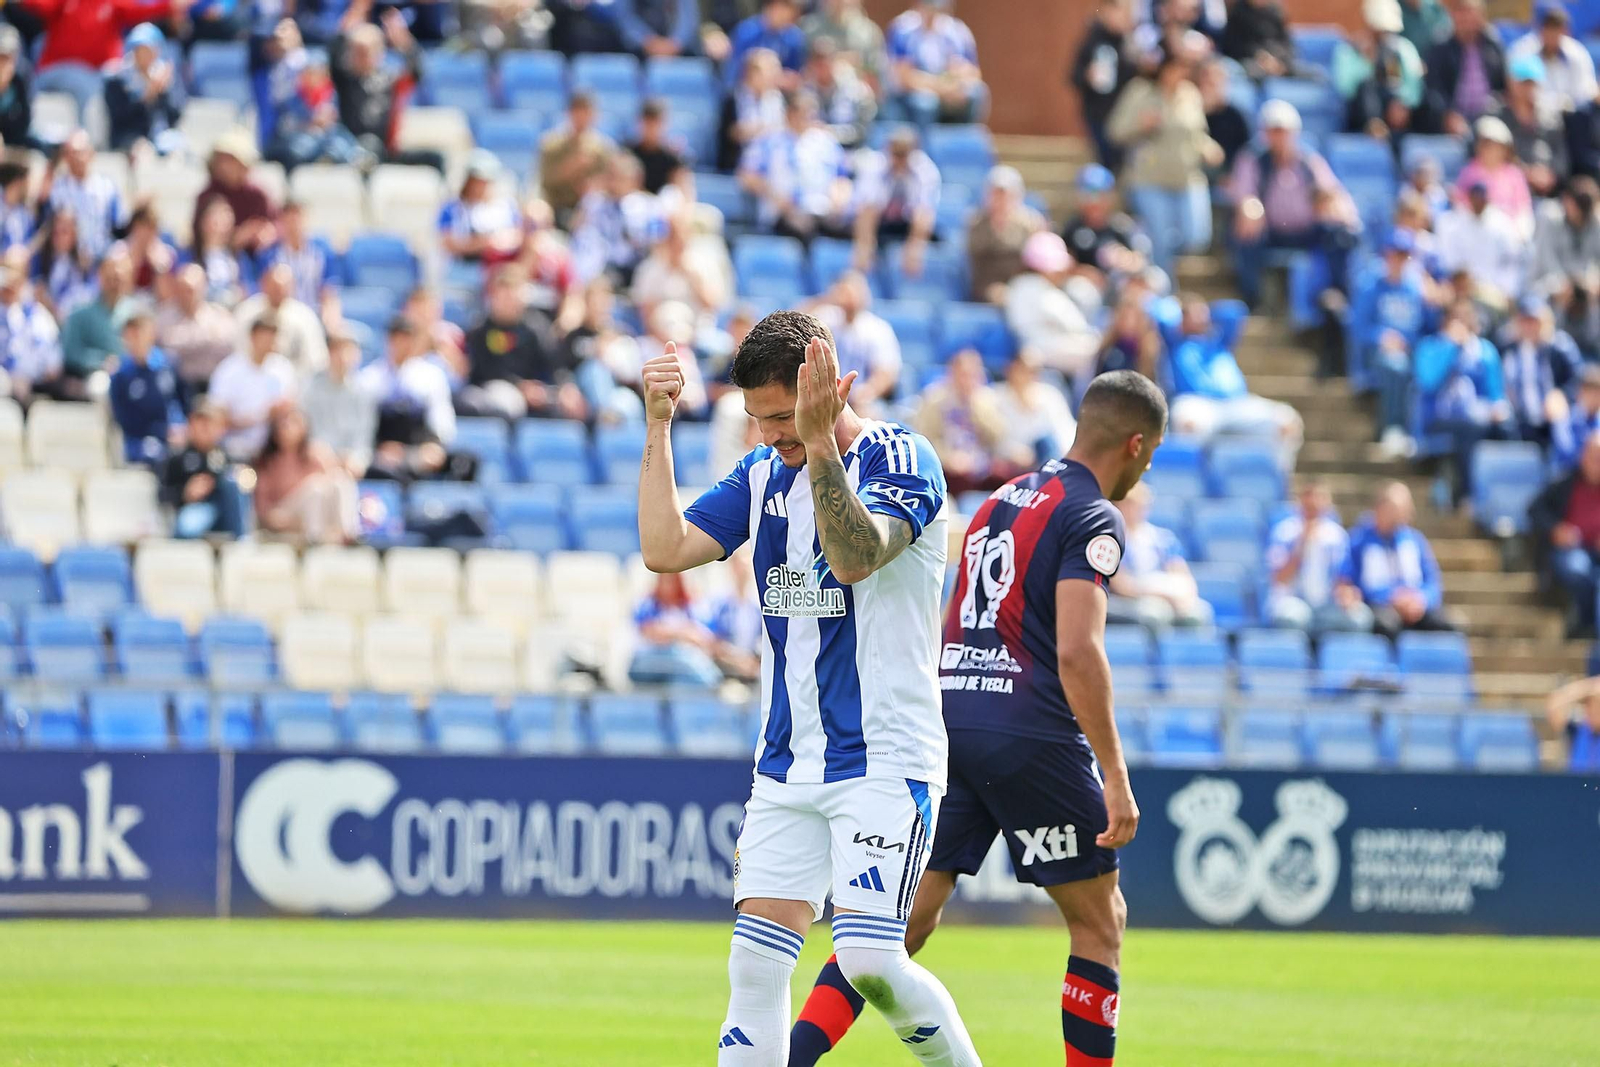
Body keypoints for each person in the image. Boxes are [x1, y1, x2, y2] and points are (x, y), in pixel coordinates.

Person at [787, 369, 1167, 1067]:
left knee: (894, 928)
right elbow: (1079, 651)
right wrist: (1115, 773)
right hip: (1031, 731)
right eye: (1148, 458)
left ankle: (790, 1060)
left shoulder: (999, 501)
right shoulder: (1093, 515)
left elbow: (953, 616)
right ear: (1137, 446)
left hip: (951, 718)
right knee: (1099, 923)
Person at [637, 311, 982, 1067]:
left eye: (782, 417)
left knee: (869, 961)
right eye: (756, 420)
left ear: (827, 389)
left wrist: (821, 443)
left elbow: (856, 556)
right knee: (754, 966)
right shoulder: (762, 473)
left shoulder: (901, 456)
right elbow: (664, 548)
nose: (769, 437)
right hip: (787, 766)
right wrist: (657, 425)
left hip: (886, 759)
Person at [1227, 100, 1355, 308]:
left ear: (1294, 132)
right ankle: (1252, 299)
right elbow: (1244, 196)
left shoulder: (1309, 161)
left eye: (1283, 131)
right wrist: (1251, 210)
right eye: (1273, 130)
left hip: (1306, 231)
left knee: (1341, 234)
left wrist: (1340, 211)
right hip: (1270, 231)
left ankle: (1336, 295)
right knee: (1246, 231)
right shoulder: (1253, 160)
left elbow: (1334, 193)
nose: (1279, 137)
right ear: (1265, 133)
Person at [1107, 52, 1216, 277]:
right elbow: (1115, 131)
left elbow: (1196, 133)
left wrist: (1209, 147)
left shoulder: (1190, 94)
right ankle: (1164, 291)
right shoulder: (1140, 91)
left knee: (1196, 237)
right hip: (1150, 181)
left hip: (1188, 179)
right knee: (1160, 243)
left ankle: (1145, 250)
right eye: (1176, 67)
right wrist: (1140, 124)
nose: (1181, 73)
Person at [1162, 296, 1303, 459]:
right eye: (1193, 314)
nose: (1199, 318)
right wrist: (1181, 318)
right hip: (1197, 404)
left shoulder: (1218, 341)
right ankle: (1194, 482)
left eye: (1202, 314)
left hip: (1236, 404)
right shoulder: (1174, 342)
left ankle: (1276, 481)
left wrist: (1207, 315)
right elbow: (1159, 313)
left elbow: (1237, 311)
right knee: (1188, 422)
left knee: (1286, 421)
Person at [25, 0, 191, 122]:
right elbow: (36, 4)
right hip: (57, 70)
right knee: (85, 83)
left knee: (125, 78)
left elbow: (139, 11)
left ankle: (132, 135)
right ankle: (90, 144)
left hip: (99, 72)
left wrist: (171, 5)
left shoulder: (111, 3)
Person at [1413, 300, 1512, 504]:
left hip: (1478, 417)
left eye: (1465, 319)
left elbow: (1495, 393)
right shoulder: (1430, 347)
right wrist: (1452, 348)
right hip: (1437, 418)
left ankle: (1499, 500)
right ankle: (1467, 495)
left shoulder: (1485, 351)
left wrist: (1497, 409)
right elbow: (1428, 382)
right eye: (1455, 318)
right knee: (1469, 429)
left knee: (1508, 429)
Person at [460, 264, 584, 422]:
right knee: (504, 401)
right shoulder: (480, 331)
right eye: (504, 297)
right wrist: (520, 386)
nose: (509, 303)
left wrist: (566, 388)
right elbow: (483, 371)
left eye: (513, 297)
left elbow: (555, 364)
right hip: (495, 391)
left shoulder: (535, 327)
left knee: (567, 406)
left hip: (536, 393)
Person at [330, 0, 443, 172]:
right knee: (361, 146)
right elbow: (334, 50)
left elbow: (417, 72)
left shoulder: (391, 79)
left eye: (368, 51)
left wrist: (403, 41)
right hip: (349, 148)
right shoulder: (345, 78)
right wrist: (357, 11)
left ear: (379, 52)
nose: (363, 57)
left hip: (388, 150)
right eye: (358, 51)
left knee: (436, 158)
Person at [1338, 480, 1456, 640]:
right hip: (1380, 607)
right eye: (1400, 509)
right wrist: (1392, 598)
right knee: (1385, 625)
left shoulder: (1415, 540)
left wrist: (1420, 600)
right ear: (1381, 508)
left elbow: (1433, 582)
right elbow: (1351, 583)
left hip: (1416, 607)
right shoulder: (1358, 541)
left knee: (1447, 625)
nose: (1407, 514)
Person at [357, 316, 463, 484]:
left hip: (419, 450)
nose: (402, 345)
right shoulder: (370, 379)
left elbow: (441, 422)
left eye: (407, 339)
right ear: (389, 341)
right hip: (381, 450)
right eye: (397, 339)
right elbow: (363, 425)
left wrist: (433, 446)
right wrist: (377, 448)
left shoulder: (431, 376)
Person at [1354, 230, 1431, 456]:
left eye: (1404, 255)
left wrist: (1434, 304)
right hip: (1376, 354)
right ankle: (1392, 428)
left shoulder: (1416, 289)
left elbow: (1427, 328)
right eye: (1394, 254)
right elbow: (1359, 328)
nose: (1398, 260)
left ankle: (1416, 434)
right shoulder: (1371, 287)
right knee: (1394, 366)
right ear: (1385, 255)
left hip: (1412, 352)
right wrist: (1382, 337)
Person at [738, 90, 852, 242]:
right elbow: (747, 177)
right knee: (801, 231)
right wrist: (782, 203)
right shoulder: (768, 141)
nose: (805, 118)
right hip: (783, 214)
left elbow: (841, 178)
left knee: (850, 233)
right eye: (801, 113)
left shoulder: (826, 143)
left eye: (810, 114)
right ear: (789, 114)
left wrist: (837, 204)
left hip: (822, 212)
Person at [1265, 479, 1374, 632]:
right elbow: (1279, 579)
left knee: (1360, 617)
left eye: (1317, 505)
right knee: (1291, 618)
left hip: (1328, 605)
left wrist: (1346, 594)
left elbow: (1343, 578)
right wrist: (1302, 543)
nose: (1312, 510)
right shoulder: (1284, 532)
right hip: (1294, 601)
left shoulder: (1337, 536)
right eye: (1308, 506)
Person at [914, 348, 1023, 495]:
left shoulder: (987, 399)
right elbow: (925, 440)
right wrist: (948, 458)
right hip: (950, 467)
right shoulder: (934, 400)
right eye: (963, 374)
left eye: (973, 374)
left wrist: (979, 410)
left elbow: (998, 438)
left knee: (1009, 477)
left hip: (983, 465)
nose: (967, 380)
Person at [1107, 481, 1211, 630]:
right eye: (1128, 504)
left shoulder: (1163, 539)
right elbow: (1122, 585)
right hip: (1129, 600)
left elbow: (1183, 577)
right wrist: (1157, 593)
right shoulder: (1111, 539)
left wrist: (1181, 597)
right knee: (1155, 614)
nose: (1135, 510)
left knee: (1196, 613)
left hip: (1163, 596)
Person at [253, 408, 357, 545]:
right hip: (284, 515)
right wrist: (277, 520)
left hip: (320, 514)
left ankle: (348, 533)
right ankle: (315, 539)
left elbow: (335, 483)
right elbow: (264, 509)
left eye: (293, 422)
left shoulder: (316, 453)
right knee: (314, 488)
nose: (287, 427)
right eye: (283, 423)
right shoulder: (267, 461)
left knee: (340, 479)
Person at [1530, 431, 1600, 634]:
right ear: (1583, 456)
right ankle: (1582, 621)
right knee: (1578, 569)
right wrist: (1555, 529)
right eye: (1593, 457)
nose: (1596, 463)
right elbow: (1535, 509)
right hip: (1571, 549)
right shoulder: (1565, 482)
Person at [1005, 231, 1099, 381]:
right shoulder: (1033, 285)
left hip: (1041, 344)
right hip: (1040, 348)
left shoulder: (1022, 284)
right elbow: (1073, 323)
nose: (1059, 272)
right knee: (1097, 349)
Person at [206, 312, 298, 460]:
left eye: (273, 336)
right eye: (265, 336)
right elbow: (217, 419)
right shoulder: (228, 370)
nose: (270, 341)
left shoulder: (283, 369)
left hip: (273, 453)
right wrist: (261, 415)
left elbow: (291, 413)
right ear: (253, 336)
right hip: (233, 450)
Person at [807, 271, 901, 414]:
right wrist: (829, 298)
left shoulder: (878, 328)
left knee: (868, 411)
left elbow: (887, 372)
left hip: (860, 398)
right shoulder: (826, 318)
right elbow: (795, 321)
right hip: (825, 392)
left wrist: (868, 392)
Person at [850, 127, 939, 275]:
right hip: (879, 222)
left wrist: (915, 249)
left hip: (905, 223)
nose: (899, 160)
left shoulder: (926, 170)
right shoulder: (874, 166)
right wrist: (864, 246)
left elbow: (924, 212)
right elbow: (866, 209)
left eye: (904, 154)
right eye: (896, 153)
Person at [1333, 0, 1426, 141]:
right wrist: (1367, 62)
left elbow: (1414, 85)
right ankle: (1374, 126)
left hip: (1399, 115)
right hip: (1361, 116)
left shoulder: (1403, 49)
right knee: (1366, 85)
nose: (1383, 36)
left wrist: (1403, 104)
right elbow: (1346, 88)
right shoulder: (1349, 52)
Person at [1499, 295, 1581, 453]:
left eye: (1534, 321)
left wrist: (1562, 395)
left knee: (1563, 432)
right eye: (1525, 321)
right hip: (1517, 421)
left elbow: (1576, 380)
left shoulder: (1560, 348)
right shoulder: (1507, 349)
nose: (1529, 326)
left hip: (1551, 421)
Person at [885, 0, 986, 128]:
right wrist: (940, 88)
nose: (933, 12)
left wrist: (956, 80)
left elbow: (973, 72)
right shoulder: (903, 28)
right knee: (925, 103)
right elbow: (904, 78)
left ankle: (962, 143)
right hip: (912, 92)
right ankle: (924, 145)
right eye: (929, 6)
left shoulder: (957, 31)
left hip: (947, 87)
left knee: (976, 92)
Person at [107, 299, 183, 466]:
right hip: (139, 440)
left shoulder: (168, 363)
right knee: (153, 455)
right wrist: (161, 433)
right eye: (131, 331)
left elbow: (178, 400)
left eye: (141, 329)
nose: (137, 336)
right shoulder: (121, 375)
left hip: (173, 435)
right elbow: (124, 418)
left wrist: (179, 426)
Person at [1529, 176, 1600, 350]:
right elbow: (1545, 262)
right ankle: (1551, 351)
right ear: (1568, 201)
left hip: (1584, 288)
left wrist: (1591, 282)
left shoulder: (1595, 222)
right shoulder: (1549, 217)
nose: (1582, 216)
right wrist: (1564, 285)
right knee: (1554, 295)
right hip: (1546, 285)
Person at [1433, 178, 1526, 308]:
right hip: (1462, 288)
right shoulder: (1455, 223)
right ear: (1469, 198)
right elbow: (1450, 261)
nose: (1478, 202)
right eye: (1475, 197)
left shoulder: (1502, 223)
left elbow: (1511, 260)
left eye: (1481, 198)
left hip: (1494, 291)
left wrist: (1506, 291)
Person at [160, 401, 246, 539]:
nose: (205, 429)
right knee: (187, 527)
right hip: (196, 509)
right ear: (191, 424)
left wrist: (216, 484)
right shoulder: (177, 458)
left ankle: (241, 540)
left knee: (233, 482)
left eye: (210, 424)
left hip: (225, 511)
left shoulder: (226, 456)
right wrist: (185, 494)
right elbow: (163, 494)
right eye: (201, 423)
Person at [631, 210, 733, 326]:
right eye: (672, 237)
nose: (677, 242)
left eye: (680, 236)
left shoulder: (704, 264)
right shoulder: (650, 269)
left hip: (699, 332)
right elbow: (646, 311)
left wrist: (691, 276)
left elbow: (713, 305)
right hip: (662, 332)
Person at [190, 130, 278, 263]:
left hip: (256, 262)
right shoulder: (207, 196)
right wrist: (234, 238)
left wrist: (265, 233)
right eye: (221, 159)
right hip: (217, 262)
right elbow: (198, 238)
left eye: (230, 160)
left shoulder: (257, 194)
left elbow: (275, 224)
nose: (224, 165)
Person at [628, 572, 727, 687]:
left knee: (678, 681)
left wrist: (678, 634)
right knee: (679, 656)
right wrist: (681, 633)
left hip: (677, 669)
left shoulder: (690, 608)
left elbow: (704, 639)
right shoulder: (647, 604)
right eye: (664, 580)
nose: (668, 585)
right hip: (645, 663)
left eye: (672, 580)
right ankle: (714, 682)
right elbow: (650, 632)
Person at [301, 330, 377, 479]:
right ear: (329, 353)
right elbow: (308, 433)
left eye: (349, 351)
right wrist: (326, 457)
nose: (343, 357)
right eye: (338, 350)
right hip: (317, 462)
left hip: (351, 465)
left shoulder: (364, 391)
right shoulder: (310, 389)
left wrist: (356, 459)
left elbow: (364, 436)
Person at [1422, 0, 1505, 135]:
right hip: (1454, 121)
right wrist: (1447, 114)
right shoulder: (1441, 47)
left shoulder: (1492, 45)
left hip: (1489, 117)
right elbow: (1433, 89)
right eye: (1462, 13)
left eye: (1471, 13)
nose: (1467, 19)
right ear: (1453, 16)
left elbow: (1502, 86)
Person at [157, 262, 238, 401]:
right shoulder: (163, 317)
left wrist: (185, 342)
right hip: (178, 387)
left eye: (191, 290)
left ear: (203, 288)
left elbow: (227, 347)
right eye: (183, 289)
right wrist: (207, 340)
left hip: (213, 384)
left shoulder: (218, 315)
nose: (187, 295)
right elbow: (167, 350)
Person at [1070, 0, 1137, 169]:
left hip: (1123, 112)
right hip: (1097, 112)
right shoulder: (1092, 41)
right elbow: (1073, 76)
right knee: (1104, 156)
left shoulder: (1129, 43)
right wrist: (1087, 75)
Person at [59, 250, 133, 399]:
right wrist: (102, 361)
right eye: (110, 278)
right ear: (100, 276)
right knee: (100, 387)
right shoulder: (80, 313)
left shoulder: (137, 312)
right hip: (98, 374)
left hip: (134, 373)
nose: (115, 284)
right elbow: (71, 352)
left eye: (119, 278)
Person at [234, 262, 328, 379]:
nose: (279, 292)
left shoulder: (305, 317)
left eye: (284, 288)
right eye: (275, 287)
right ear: (263, 284)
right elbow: (238, 352)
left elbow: (315, 359)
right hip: (250, 380)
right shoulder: (247, 312)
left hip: (296, 384)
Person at [966, 165, 1046, 303]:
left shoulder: (1031, 223)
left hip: (1023, 285)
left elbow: (1041, 261)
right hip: (988, 286)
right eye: (996, 193)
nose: (1001, 199)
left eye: (1006, 194)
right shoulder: (976, 223)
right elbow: (976, 258)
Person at [1495, 55, 1569, 199]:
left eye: (1532, 83)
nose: (1528, 88)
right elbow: (1493, 155)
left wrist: (1550, 174)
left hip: (1548, 191)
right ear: (1511, 83)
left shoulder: (1550, 117)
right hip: (1507, 191)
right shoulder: (1497, 115)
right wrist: (1525, 173)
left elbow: (1561, 156)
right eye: (1523, 82)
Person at [46, 131, 126, 262]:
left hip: (102, 260)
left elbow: (119, 227)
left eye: (80, 152)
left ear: (91, 153)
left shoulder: (107, 187)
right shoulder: (56, 189)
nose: (76, 158)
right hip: (66, 261)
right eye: (71, 153)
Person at [103, 22, 184, 153]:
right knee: (140, 149)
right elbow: (120, 118)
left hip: (159, 137)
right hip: (127, 138)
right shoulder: (117, 79)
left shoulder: (165, 76)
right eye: (141, 50)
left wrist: (164, 92)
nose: (145, 55)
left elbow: (174, 116)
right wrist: (148, 95)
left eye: (149, 50)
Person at [539, 91, 618, 223]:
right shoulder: (551, 145)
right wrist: (570, 167)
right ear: (569, 113)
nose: (581, 117)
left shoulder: (604, 148)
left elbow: (612, 181)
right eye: (577, 111)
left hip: (595, 210)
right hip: (559, 207)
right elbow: (545, 181)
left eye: (586, 112)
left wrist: (594, 186)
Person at [1507, 5, 1597, 116]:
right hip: (1536, 115)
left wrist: (1566, 104)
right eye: (1548, 28)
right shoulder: (1523, 51)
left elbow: (1585, 90)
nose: (1552, 34)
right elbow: (1521, 90)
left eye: (1557, 28)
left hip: (1572, 115)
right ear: (1540, 29)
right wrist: (1555, 105)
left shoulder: (1576, 52)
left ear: (1565, 30)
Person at [439, 151, 525, 265]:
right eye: (476, 180)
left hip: (499, 269)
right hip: (463, 269)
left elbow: (519, 236)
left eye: (485, 181)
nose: (480, 186)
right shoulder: (452, 208)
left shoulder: (507, 207)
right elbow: (448, 244)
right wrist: (485, 243)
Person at [993, 355, 1077, 465]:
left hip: (1052, 457)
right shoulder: (994, 397)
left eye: (1034, 371)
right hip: (1016, 462)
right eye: (1024, 370)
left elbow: (1066, 429)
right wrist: (1013, 452)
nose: (1029, 375)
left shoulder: (1050, 394)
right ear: (1011, 369)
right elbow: (994, 439)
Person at [0, 263, 65, 404]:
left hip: (34, 386)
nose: (10, 280)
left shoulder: (38, 315)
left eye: (15, 271)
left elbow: (53, 364)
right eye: (6, 269)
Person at [1455, 116, 1533, 232]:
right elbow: (1460, 204)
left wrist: (1519, 232)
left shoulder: (1514, 174)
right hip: (1477, 231)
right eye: (1486, 145)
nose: (1491, 151)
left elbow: (1523, 209)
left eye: (1496, 147)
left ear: (1506, 150)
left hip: (1508, 233)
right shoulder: (1469, 171)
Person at [258, 200, 338, 311]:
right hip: (282, 315)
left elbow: (328, 292)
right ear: (281, 223)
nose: (294, 225)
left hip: (314, 315)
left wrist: (331, 317)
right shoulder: (269, 256)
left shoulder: (321, 252)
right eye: (289, 220)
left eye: (297, 219)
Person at [719, 48, 787, 173]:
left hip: (773, 164)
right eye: (768, 71)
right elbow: (731, 133)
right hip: (739, 164)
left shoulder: (779, 99)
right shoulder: (733, 98)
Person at [803, 38, 876, 151]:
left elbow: (863, 130)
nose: (823, 69)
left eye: (826, 62)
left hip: (851, 150)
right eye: (818, 64)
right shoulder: (805, 91)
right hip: (814, 152)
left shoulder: (856, 90)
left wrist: (830, 133)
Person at [801, 0, 888, 93]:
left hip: (857, 94)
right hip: (816, 95)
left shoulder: (868, 32)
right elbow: (802, 71)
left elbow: (876, 74)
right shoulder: (809, 29)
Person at [723, 0, 807, 89]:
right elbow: (733, 71)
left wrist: (780, 78)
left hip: (778, 94)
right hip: (745, 92)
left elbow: (795, 73)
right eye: (781, 7)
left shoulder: (794, 38)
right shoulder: (747, 31)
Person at [1196, 57, 1251, 171]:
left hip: (1226, 177)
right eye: (1207, 78)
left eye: (1217, 79)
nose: (1211, 83)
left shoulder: (1236, 116)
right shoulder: (1188, 111)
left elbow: (1245, 153)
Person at [1220, 0, 1295, 80]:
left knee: (1299, 70)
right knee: (1253, 72)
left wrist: (1277, 60)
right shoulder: (1237, 12)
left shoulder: (1276, 12)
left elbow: (1286, 43)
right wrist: (1259, 56)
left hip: (1277, 59)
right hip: (1250, 60)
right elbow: (1233, 45)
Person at [628, 99, 690, 194]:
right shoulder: (628, 154)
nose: (652, 129)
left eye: (656, 123)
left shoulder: (675, 158)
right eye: (648, 123)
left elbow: (684, 193)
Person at [1544, 674, 1600, 773]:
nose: (1593, 712)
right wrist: (1589, 686)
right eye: (1590, 706)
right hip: (1577, 786)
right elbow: (1554, 707)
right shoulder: (1576, 731)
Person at [616, 0, 700, 60]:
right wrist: (648, 41)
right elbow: (625, 18)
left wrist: (675, 43)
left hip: (679, 52)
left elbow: (688, 19)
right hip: (637, 52)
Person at [0, 25, 34, 150]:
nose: (6, 62)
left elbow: (25, 121)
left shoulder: (21, 78)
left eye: (10, 56)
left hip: (14, 145)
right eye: (2, 56)